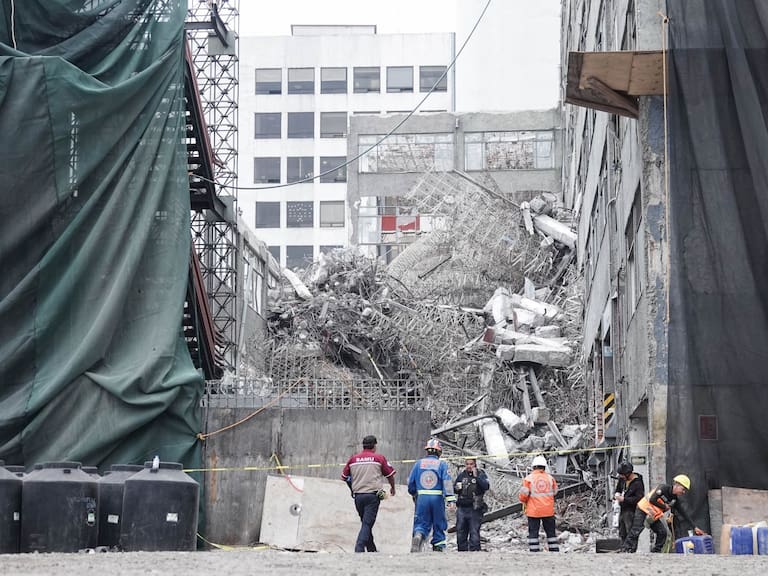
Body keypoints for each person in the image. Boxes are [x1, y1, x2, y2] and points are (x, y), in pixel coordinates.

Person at [621, 474, 705, 553]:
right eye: (683, 489)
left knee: (662, 532)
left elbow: (683, 513)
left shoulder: (674, 499)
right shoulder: (663, 488)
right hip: (643, 508)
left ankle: (656, 552)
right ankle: (626, 549)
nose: (683, 492)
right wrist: (664, 507)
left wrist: (694, 527)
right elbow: (652, 499)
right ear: (677, 485)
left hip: (653, 514)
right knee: (636, 530)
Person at [341, 435, 396, 553]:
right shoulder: (379, 458)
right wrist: (392, 488)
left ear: (363, 446)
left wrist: (352, 489)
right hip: (373, 495)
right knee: (367, 523)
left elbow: (345, 477)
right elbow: (390, 475)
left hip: (358, 496)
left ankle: (371, 549)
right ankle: (359, 548)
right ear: (374, 446)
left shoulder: (353, 459)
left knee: (366, 523)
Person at [408, 438, 456, 552]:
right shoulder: (442, 464)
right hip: (437, 498)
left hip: (422, 498)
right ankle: (438, 545)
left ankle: (419, 535)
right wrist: (451, 499)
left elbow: (411, 482)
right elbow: (447, 482)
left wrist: (414, 493)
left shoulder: (418, 464)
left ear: (427, 451)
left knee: (421, 521)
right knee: (439, 522)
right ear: (439, 452)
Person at [519, 455, 559, 552]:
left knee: (533, 532)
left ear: (533, 467)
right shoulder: (550, 478)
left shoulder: (528, 479)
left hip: (534, 511)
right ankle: (554, 550)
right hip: (548, 510)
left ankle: (534, 551)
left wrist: (522, 500)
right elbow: (555, 492)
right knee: (551, 533)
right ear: (544, 467)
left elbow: (524, 495)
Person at [453, 457, 490, 551]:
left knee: (474, 532)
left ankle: (475, 552)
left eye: (471, 464)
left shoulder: (481, 474)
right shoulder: (462, 475)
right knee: (460, 532)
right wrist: (457, 488)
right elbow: (455, 489)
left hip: (475, 509)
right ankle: (462, 552)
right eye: (467, 464)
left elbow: (486, 486)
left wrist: (476, 477)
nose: (469, 466)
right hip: (462, 508)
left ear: (475, 464)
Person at [613, 460, 645, 545]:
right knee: (622, 531)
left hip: (631, 510)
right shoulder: (622, 480)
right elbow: (618, 489)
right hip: (622, 508)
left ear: (628, 474)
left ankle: (631, 550)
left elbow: (639, 498)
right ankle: (623, 549)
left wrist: (624, 499)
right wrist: (616, 495)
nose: (620, 476)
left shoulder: (638, 483)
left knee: (630, 531)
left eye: (622, 475)